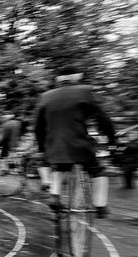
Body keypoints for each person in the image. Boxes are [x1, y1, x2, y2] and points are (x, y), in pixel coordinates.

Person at [34, 65, 116, 218]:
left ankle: (55, 196)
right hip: (79, 144)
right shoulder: (84, 91)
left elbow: (38, 127)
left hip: (54, 145)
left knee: (60, 168)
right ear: (77, 77)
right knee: (98, 171)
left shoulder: (46, 96)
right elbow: (103, 118)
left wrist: (42, 147)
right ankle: (100, 206)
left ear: (58, 79)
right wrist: (112, 139)